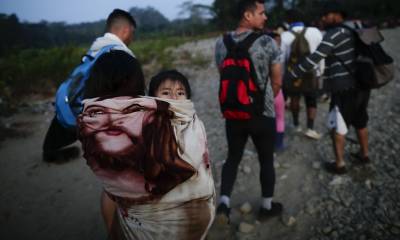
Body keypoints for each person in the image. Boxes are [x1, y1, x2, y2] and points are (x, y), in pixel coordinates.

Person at [79, 60, 215, 239]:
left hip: (135, 225)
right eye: (166, 93)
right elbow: (188, 162)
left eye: (180, 93)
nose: (173, 97)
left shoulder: (87, 123)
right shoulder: (151, 119)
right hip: (184, 221)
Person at [214, 0, 283, 223]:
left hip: (233, 113)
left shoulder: (221, 43)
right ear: (247, 15)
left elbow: (222, 75)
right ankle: (266, 207)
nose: (265, 18)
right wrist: (264, 99)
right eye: (262, 13)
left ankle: (223, 204)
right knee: (266, 160)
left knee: (232, 158)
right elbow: (277, 81)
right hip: (262, 114)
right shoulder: (267, 42)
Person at [286, 2, 371, 174]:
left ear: (336, 14)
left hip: (343, 88)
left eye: (325, 15)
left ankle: (339, 164)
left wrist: (290, 75)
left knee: (337, 125)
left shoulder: (334, 33)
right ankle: (364, 154)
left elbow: (314, 58)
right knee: (360, 120)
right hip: (362, 85)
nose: (323, 19)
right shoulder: (354, 28)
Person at [42, 8, 137, 163]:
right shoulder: (120, 53)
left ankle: (52, 150)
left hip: (68, 113)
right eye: (132, 34)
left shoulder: (95, 49)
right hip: (91, 117)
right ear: (126, 31)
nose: (132, 39)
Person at [280, 9, 324, 139]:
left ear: (289, 21)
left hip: (293, 74)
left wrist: (284, 76)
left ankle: (296, 124)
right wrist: (321, 71)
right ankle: (310, 128)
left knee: (294, 98)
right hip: (311, 72)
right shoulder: (315, 32)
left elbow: (282, 59)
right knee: (311, 100)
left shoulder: (285, 36)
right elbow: (321, 54)